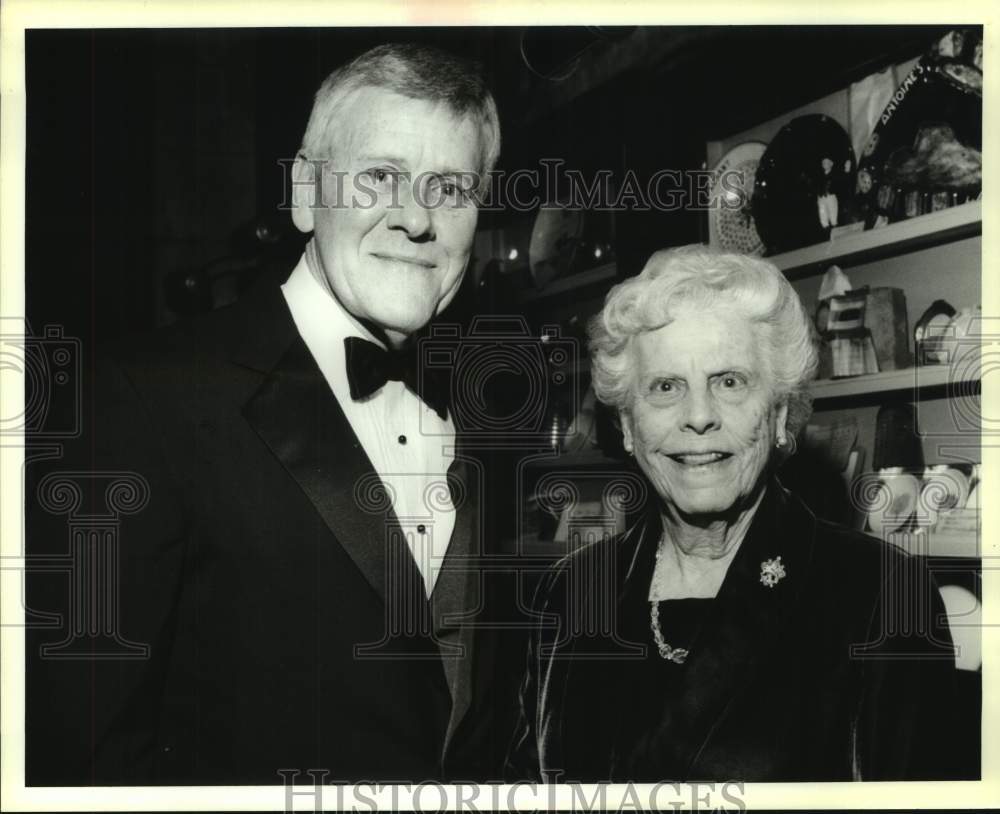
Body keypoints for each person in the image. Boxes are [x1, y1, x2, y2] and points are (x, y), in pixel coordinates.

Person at [27, 43, 501, 785]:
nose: (418, 219)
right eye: (381, 177)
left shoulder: (486, 417)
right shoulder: (142, 396)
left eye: (451, 188)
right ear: (306, 194)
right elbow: (80, 757)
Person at [507, 246, 962, 782]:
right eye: (665, 387)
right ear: (628, 426)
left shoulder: (881, 594)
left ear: (776, 415)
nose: (698, 416)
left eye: (729, 382)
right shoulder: (568, 594)